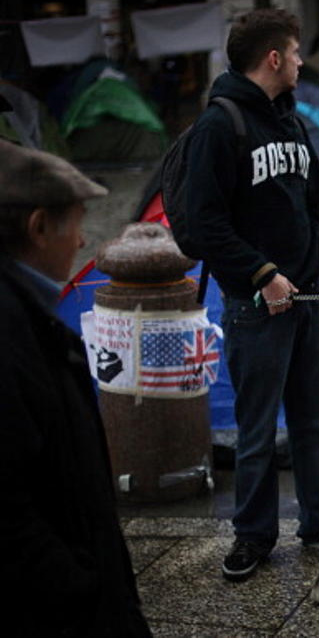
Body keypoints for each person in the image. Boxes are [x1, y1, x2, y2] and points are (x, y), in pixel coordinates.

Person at [184, 9, 319, 582]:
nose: (304, 62)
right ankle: (253, 536)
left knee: (316, 424)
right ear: (275, 58)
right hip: (256, 307)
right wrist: (262, 274)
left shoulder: (292, 121)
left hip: (309, 298)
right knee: (256, 431)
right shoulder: (220, 126)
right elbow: (205, 224)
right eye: (297, 52)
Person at [0, 140, 151, 635]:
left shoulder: (29, 316)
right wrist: (79, 588)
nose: (84, 241)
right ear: (39, 227)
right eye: (78, 223)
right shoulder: (14, 331)